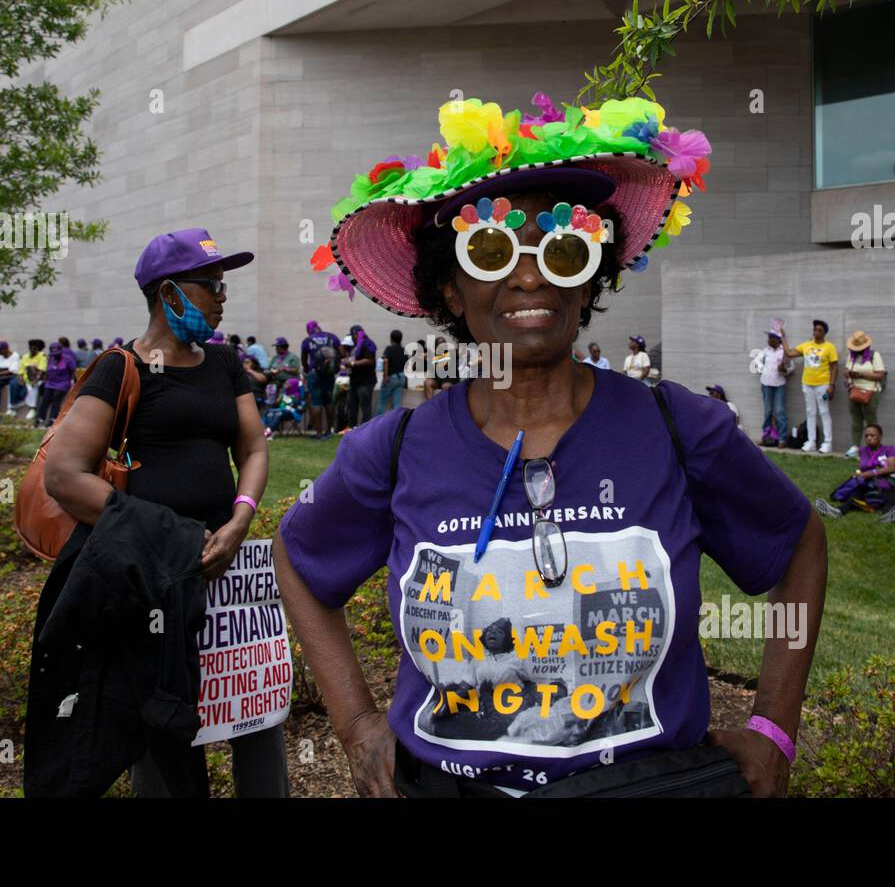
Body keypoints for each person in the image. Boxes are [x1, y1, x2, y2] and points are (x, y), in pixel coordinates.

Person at [278, 92, 825, 798]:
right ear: (449, 289)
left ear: (591, 276)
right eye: (491, 250)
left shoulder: (680, 428)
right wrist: (354, 722)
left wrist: (775, 731)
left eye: (562, 249)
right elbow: (296, 557)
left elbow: (798, 542)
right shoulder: (393, 449)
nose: (530, 276)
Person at [42, 226, 284, 798]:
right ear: (170, 293)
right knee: (161, 720)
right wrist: (170, 536)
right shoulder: (118, 368)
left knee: (255, 714)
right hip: (151, 582)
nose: (224, 298)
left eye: (224, 286)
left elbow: (251, 448)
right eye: (213, 286)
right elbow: (64, 474)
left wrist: (241, 516)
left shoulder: (225, 364)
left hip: (227, 573)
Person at [814, 424, 895, 522]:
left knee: (890, 497)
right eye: (866, 436)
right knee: (854, 498)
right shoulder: (863, 451)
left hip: (887, 483)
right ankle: (837, 511)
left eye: (872, 435)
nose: (869, 438)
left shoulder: (889, 449)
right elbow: (862, 468)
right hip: (868, 484)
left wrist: (869, 473)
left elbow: (891, 468)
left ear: (880, 436)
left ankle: (888, 515)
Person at [782, 320, 838, 453]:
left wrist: (832, 385)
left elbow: (834, 367)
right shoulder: (806, 345)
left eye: (820, 330)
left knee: (824, 412)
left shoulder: (829, 347)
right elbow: (790, 353)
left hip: (823, 384)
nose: (816, 332)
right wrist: (783, 337)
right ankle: (811, 441)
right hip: (807, 383)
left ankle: (827, 443)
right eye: (815, 330)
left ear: (824, 333)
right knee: (810, 412)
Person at [842, 330, 885, 458]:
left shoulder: (874, 355)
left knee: (871, 422)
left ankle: (874, 449)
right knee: (856, 420)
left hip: (870, 392)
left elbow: (880, 374)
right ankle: (855, 446)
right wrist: (849, 374)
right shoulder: (852, 356)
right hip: (854, 390)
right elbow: (845, 370)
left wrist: (861, 374)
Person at [301, 321, 340, 439]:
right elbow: (341, 353)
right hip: (329, 374)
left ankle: (318, 433)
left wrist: (307, 370)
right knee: (329, 402)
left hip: (315, 375)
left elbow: (304, 360)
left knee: (316, 403)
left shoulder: (307, 341)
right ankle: (329, 431)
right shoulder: (332, 337)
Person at [751, 330, 791, 445]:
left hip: (779, 384)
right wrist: (763, 370)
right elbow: (756, 363)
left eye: (770, 338)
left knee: (780, 411)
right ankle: (766, 436)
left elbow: (791, 367)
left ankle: (782, 438)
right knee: (767, 410)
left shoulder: (784, 351)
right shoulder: (765, 351)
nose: (768, 340)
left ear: (777, 339)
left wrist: (784, 370)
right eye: (768, 338)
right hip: (766, 384)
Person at [35, 342, 76, 428]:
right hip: (50, 383)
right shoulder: (51, 359)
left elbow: (72, 371)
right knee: (45, 399)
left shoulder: (67, 359)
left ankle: (52, 419)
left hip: (62, 383)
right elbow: (47, 371)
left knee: (56, 398)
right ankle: (40, 419)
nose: (55, 355)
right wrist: (43, 380)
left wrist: (72, 380)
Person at [345, 324, 377, 428]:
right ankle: (351, 429)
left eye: (354, 335)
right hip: (355, 380)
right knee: (352, 406)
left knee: (365, 407)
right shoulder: (355, 346)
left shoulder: (367, 344)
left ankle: (365, 430)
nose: (353, 337)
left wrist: (353, 363)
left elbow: (369, 360)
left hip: (365, 381)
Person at [379, 329, 408, 413]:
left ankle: (379, 423)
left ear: (391, 338)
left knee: (382, 402)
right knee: (397, 404)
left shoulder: (389, 348)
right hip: (401, 377)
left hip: (391, 377)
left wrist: (385, 375)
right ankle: (396, 422)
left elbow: (386, 361)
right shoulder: (404, 350)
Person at [19, 339, 47, 422]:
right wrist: (20, 378)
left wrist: (35, 380)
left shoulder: (42, 356)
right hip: (26, 379)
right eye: (31, 348)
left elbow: (42, 370)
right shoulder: (25, 356)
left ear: (38, 349)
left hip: (37, 379)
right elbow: (21, 370)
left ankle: (33, 408)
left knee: (34, 387)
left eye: (34, 348)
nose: (32, 350)